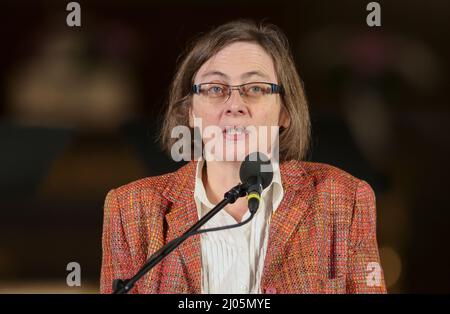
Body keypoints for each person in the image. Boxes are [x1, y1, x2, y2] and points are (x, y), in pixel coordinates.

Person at [100, 19, 386, 294]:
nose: (235, 104)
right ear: (190, 111)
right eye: (214, 88)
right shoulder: (131, 209)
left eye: (256, 88)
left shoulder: (343, 199)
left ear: (285, 111)